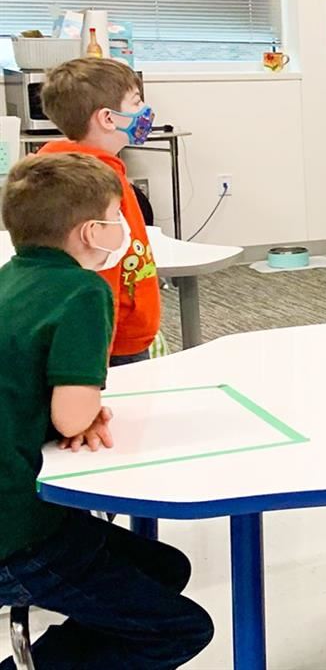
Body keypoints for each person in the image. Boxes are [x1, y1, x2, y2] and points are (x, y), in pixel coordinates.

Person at [0, 154, 214, 669]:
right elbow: (74, 419)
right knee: (181, 629)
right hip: (16, 532)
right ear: (92, 231)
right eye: (117, 216)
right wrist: (84, 411)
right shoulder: (82, 291)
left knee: (163, 569)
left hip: (18, 507)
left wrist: (74, 409)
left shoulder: (11, 278)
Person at [36, 57, 161, 365]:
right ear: (108, 118)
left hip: (122, 331)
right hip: (112, 343)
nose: (144, 110)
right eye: (136, 102)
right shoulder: (92, 186)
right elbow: (97, 274)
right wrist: (93, 357)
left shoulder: (93, 170)